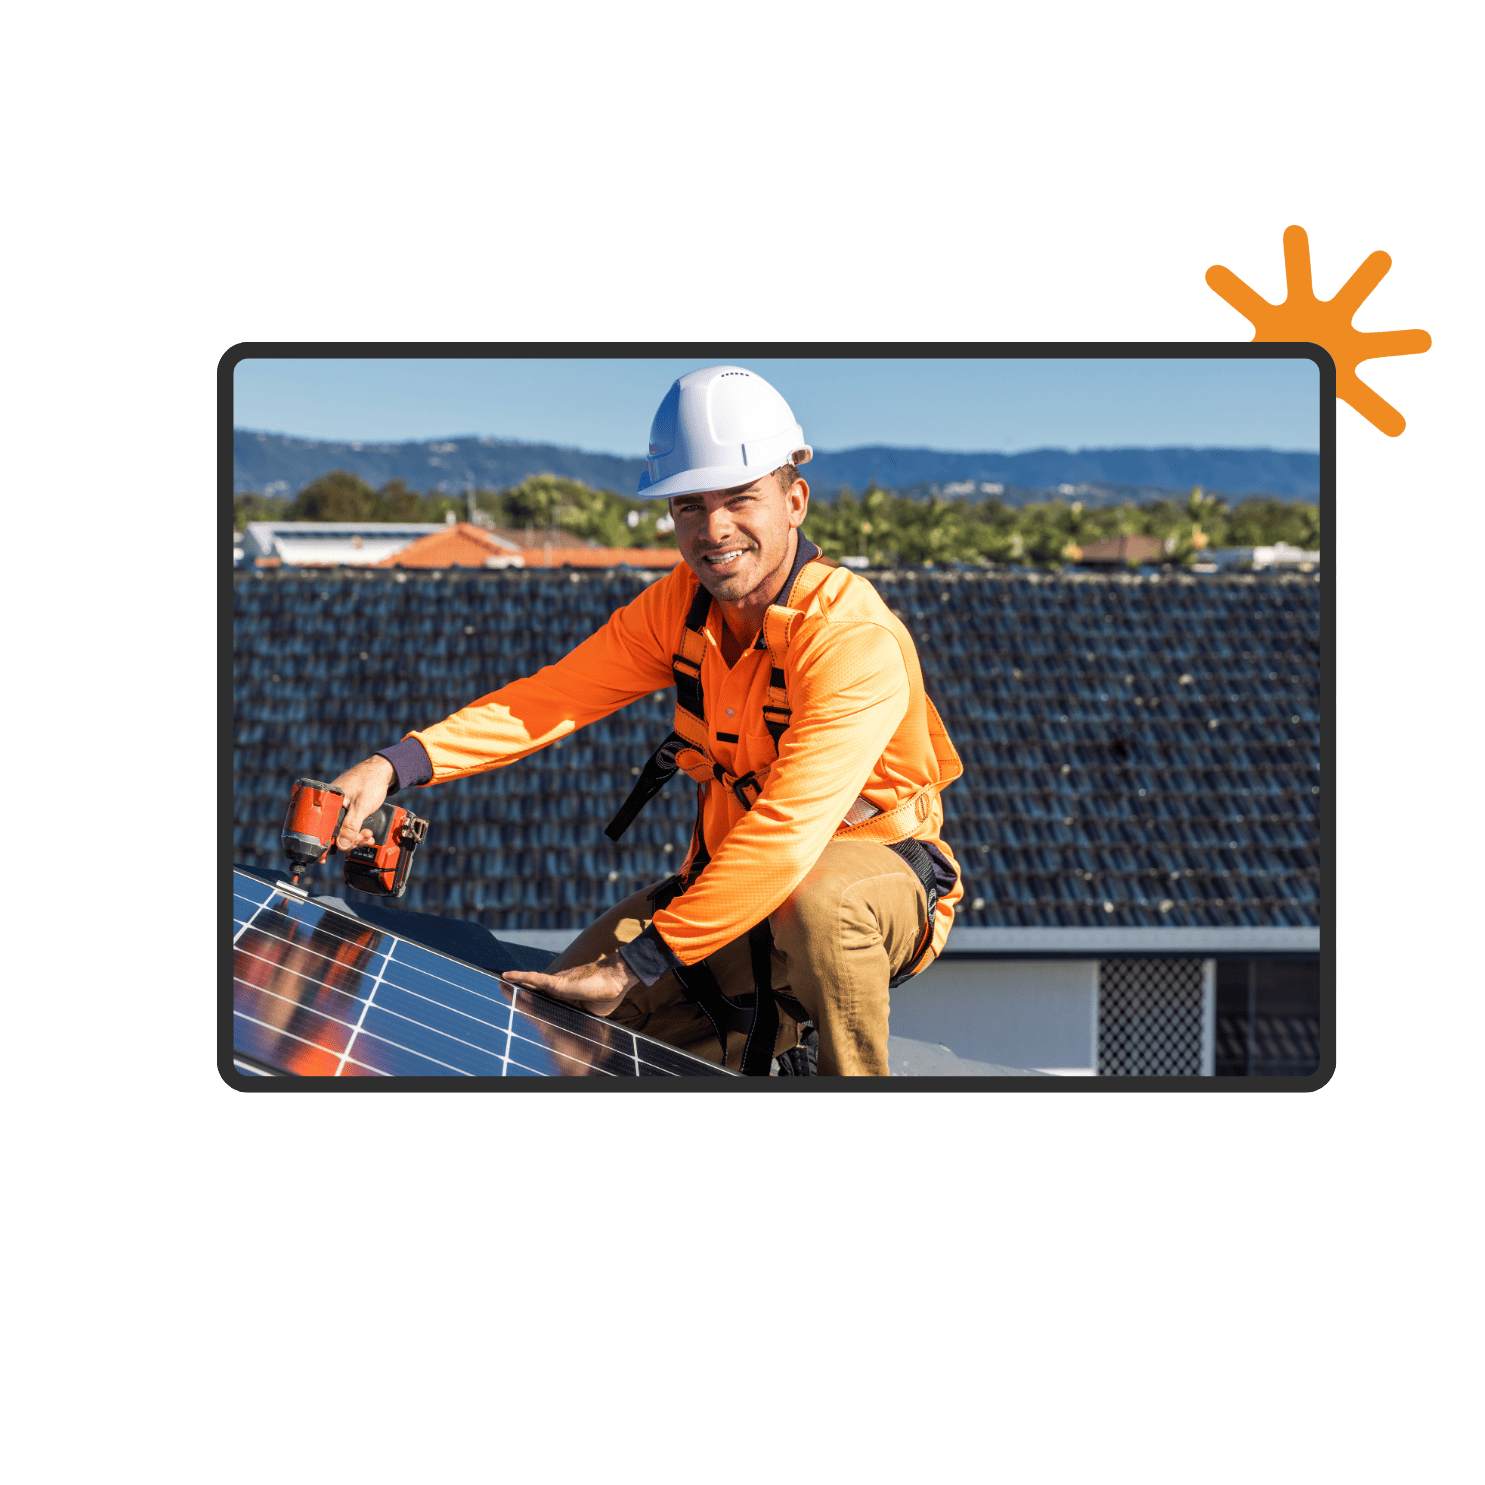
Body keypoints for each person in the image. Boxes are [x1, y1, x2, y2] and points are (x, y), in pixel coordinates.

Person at [329, 365, 963, 1075]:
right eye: (689, 505)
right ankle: (758, 1039)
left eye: (740, 500)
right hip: (732, 883)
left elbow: (786, 838)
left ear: (795, 501)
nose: (713, 529)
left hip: (869, 890)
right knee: (553, 1024)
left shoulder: (849, 640)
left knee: (817, 906)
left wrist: (638, 964)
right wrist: (395, 765)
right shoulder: (678, 609)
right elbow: (545, 700)